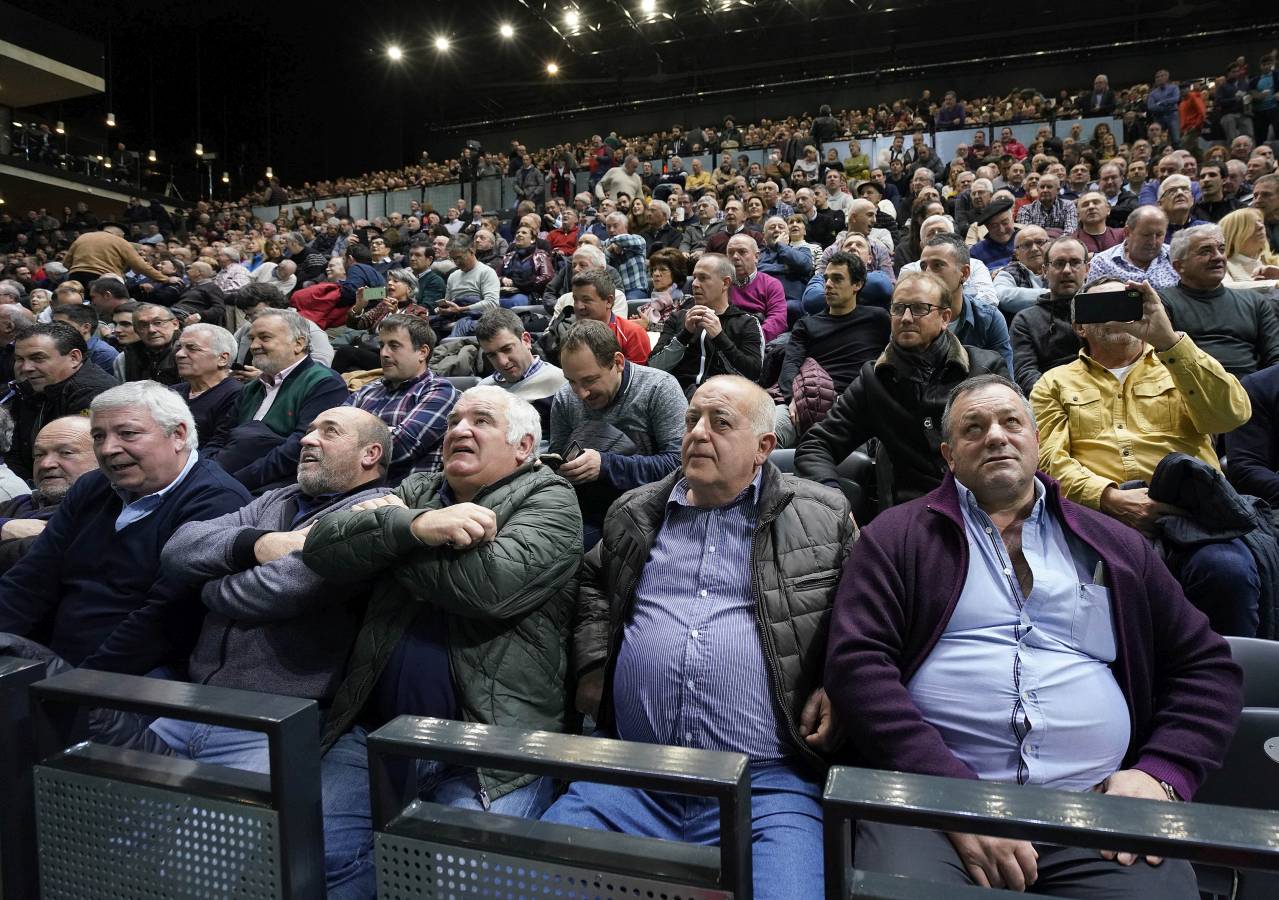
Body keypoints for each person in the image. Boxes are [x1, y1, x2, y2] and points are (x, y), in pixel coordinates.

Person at [827, 373, 1241, 897]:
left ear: (1037, 439)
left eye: (1010, 422)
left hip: (1096, 807)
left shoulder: (1116, 545)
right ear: (949, 456)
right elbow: (857, 666)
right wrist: (954, 795)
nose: (996, 436)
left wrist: (1161, 773)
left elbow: (1206, 666)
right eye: (973, 429)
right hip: (930, 802)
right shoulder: (895, 536)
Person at [544, 375, 855, 900]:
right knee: (517, 880)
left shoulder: (823, 516)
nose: (698, 433)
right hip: (633, 774)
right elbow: (593, 581)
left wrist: (840, 682)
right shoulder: (635, 512)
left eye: (720, 422)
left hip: (767, 785)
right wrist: (595, 663)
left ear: (764, 447)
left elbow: (868, 612)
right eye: (692, 420)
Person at [301, 387, 583, 898]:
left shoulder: (552, 498)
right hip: (377, 732)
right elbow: (322, 547)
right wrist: (420, 526)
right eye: (453, 420)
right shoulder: (420, 491)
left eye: (481, 420)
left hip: (494, 745)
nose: (459, 429)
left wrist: (394, 539)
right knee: (312, 856)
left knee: (455, 884)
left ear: (523, 447)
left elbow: (490, 588)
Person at [146, 406, 391, 897]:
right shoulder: (277, 499)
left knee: (193, 873)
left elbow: (284, 591)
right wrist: (257, 546)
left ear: (371, 454)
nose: (307, 439)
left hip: (275, 717)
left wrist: (210, 586)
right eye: (308, 429)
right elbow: (177, 548)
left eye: (329, 431)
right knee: (113, 828)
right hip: (194, 700)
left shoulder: (375, 515)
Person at [1031, 277, 1257, 635]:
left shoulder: (1180, 362)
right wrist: (1109, 498)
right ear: (1079, 326)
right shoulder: (1054, 383)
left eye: (1127, 304)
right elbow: (1047, 460)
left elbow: (1230, 416)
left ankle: (1228, 681)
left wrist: (1167, 339)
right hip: (1102, 518)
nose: (1117, 315)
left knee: (1228, 572)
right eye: (1103, 308)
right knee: (1108, 584)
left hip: (1192, 515)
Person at [0, 381, 251, 672]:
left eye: (127, 434)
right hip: (54, 662)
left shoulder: (217, 501)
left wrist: (80, 685)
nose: (107, 449)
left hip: (136, 678)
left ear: (178, 435)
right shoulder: (92, 486)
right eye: (98, 436)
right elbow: (31, 578)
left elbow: (164, 619)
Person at [795, 272, 1008, 509]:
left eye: (919, 308)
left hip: (985, 506)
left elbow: (1016, 440)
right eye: (898, 309)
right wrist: (833, 503)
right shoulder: (873, 380)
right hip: (913, 517)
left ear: (945, 317)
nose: (906, 318)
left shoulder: (985, 368)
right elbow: (816, 445)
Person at [551, 321, 686, 546]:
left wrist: (606, 465)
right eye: (572, 381)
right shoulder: (566, 398)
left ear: (618, 362)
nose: (581, 393)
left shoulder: (659, 389)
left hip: (647, 516)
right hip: (584, 512)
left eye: (590, 380)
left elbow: (680, 466)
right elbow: (556, 460)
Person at [214, 308, 349, 494]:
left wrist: (234, 483)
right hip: (227, 479)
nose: (254, 345)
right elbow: (220, 437)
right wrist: (204, 471)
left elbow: (299, 448)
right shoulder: (251, 388)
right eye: (252, 338)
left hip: (276, 489)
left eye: (264, 337)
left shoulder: (325, 383)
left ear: (299, 344)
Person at [776, 251, 891, 447]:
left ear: (857, 284)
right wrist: (792, 399)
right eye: (826, 278)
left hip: (856, 402)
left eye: (837, 279)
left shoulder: (878, 319)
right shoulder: (806, 324)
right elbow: (791, 364)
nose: (828, 284)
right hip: (809, 397)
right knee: (765, 435)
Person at [345, 315, 458, 483]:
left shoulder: (439, 390)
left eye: (394, 346)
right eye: (382, 345)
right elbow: (326, 433)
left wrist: (345, 441)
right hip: (346, 492)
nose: (383, 354)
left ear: (422, 352)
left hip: (398, 498)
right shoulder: (367, 390)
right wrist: (387, 431)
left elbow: (399, 448)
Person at [1160, 224, 1279, 377]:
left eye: (1221, 249)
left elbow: (1275, 356)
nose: (1218, 256)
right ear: (1179, 266)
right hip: (1190, 388)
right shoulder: (1162, 302)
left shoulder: (1255, 302)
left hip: (1251, 391)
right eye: (1205, 251)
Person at [5, 322, 117, 481]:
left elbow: (83, 466)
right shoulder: (31, 387)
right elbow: (14, 448)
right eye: (19, 359)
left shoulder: (94, 395)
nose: (26, 367)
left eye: (37, 358)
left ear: (74, 358)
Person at [648, 253, 765, 395]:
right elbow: (654, 366)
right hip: (677, 397)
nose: (695, 284)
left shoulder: (747, 322)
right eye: (695, 277)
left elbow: (754, 376)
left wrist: (720, 338)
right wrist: (684, 334)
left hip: (724, 400)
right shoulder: (678, 318)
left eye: (703, 278)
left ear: (725, 283)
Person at [0, 417, 95, 574]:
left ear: (102, 456)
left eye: (66, 453)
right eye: (39, 454)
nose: (45, 464)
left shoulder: (104, 510)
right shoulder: (20, 502)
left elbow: (37, 557)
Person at [918, 234, 1013, 371]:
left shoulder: (989, 319)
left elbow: (1006, 381)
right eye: (923, 266)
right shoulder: (909, 316)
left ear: (964, 273)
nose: (926, 273)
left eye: (937, 265)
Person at [1009, 237, 1088, 393]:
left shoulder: (1102, 310)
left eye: (1075, 262)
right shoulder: (1025, 321)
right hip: (1051, 401)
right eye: (1058, 263)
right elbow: (1026, 375)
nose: (1066, 270)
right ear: (1044, 271)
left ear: (1087, 269)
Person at [475, 307, 566, 430]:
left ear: (526, 340)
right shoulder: (482, 389)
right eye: (492, 355)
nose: (502, 362)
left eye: (507, 349)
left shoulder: (561, 384)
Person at [172, 323, 242, 453]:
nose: (179, 354)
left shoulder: (237, 395)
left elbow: (221, 445)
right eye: (179, 347)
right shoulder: (171, 393)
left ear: (222, 359)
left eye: (192, 348)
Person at [570, 269, 651, 364]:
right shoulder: (568, 331)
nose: (579, 306)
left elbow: (638, 377)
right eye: (575, 300)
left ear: (609, 301)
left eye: (586, 300)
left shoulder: (633, 334)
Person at [1088, 206, 1180, 289]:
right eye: (1146, 235)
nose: (1153, 241)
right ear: (1127, 232)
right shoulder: (1102, 263)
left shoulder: (1176, 257)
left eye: (1159, 235)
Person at [435, 233, 502, 338]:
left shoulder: (486, 272)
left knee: (464, 324)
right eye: (453, 259)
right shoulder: (453, 276)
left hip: (478, 318)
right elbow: (449, 303)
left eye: (459, 258)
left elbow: (492, 304)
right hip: (455, 316)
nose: (456, 262)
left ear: (472, 251)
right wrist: (443, 310)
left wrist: (462, 309)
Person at [726, 233, 789, 343]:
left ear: (756, 256)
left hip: (759, 340)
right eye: (730, 253)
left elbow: (777, 319)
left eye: (742, 252)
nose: (735, 257)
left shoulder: (771, 284)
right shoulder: (720, 283)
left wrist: (753, 339)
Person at [993, 226, 1049, 322]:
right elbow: (1002, 296)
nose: (1034, 249)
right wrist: (1052, 295)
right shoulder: (1008, 272)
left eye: (1039, 242)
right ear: (1017, 254)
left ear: (1050, 245)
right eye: (1027, 245)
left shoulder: (1062, 266)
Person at [120, 303, 182, 385]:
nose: (151, 330)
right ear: (136, 331)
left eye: (158, 322)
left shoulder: (190, 352)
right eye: (143, 325)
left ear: (175, 324)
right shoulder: (126, 357)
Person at [50, 302, 117, 376]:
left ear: (86, 327)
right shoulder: (60, 348)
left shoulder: (103, 354)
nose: (55, 329)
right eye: (53, 324)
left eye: (62, 324)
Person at [1221, 207, 1279, 284]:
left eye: (1260, 222)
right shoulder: (1222, 266)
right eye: (1251, 224)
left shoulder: (1276, 261)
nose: (1261, 226)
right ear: (1233, 235)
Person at [969, 198, 1017, 270]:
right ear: (987, 227)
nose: (1001, 230)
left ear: (1012, 220)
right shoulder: (976, 252)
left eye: (1005, 223)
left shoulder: (1028, 241)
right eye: (994, 226)